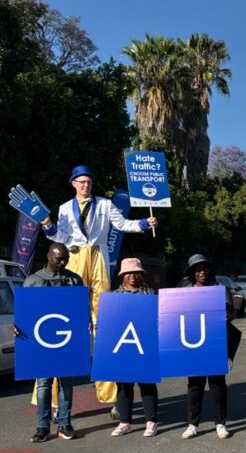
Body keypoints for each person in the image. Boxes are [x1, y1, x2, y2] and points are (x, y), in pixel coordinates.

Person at [41, 165, 157, 407]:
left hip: (98, 261)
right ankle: (53, 401)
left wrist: (145, 223)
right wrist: (48, 227)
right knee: (67, 319)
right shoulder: (64, 208)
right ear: (73, 183)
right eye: (81, 182)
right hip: (74, 259)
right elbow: (61, 238)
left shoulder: (104, 204)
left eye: (89, 182)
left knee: (105, 322)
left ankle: (113, 396)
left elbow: (123, 224)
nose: (86, 186)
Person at [20, 243, 84, 442]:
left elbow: (81, 310)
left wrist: (86, 323)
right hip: (42, 342)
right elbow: (24, 314)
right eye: (59, 258)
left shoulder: (74, 279)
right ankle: (43, 427)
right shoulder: (33, 281)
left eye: (66, 258)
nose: (63, 262)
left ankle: (64, 424)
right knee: (44, 384)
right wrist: (18, 325)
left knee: (66, 382)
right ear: (48, 256)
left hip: (67, 340)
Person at [181, 254, 234, 440]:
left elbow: (231, 312)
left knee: (217, 385)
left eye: (204, 268)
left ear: (210, 270)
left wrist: (228, 316)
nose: (202, 272)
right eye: (197, 269)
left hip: (215, 343)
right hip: (193, 343)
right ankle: (192, 424)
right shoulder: (185, 289)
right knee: (194, 385)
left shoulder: (219, 289)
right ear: (192, 273)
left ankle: (220, 424)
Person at [108, 258, 159, 437]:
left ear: (141, 274)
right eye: (128, 272)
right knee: (124, 385)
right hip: (123, 345)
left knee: (147, 383)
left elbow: (158, 318)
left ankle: (151, 422)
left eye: (135, 272)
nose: (132, 276)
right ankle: (124, 422)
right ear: (122, 275)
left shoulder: (150, 294)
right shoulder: (114, 296)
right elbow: (110, 322)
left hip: (145, 344)